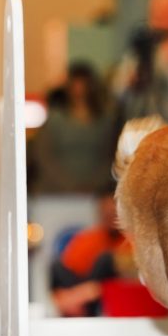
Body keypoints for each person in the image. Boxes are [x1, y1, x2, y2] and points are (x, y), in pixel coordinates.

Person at [30, 61, 115, 194]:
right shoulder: (55, 119)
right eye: (75, 85)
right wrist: (68, 185)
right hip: (56, 192)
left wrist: (93, 185)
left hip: (94, 192)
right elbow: (43, 155)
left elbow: (109, 156)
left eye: (83, 85)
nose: (79, 90)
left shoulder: (105, 120)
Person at [50, 184, 132, 317]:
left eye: (113, 213)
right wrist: (75, 294)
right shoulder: (86, 239)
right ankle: (79, 299)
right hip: (84, 292)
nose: (110, 216)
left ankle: (79, 299)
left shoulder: (131, 241)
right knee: (56, 266)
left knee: (106, 260)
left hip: (109, 294)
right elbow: (67, 271)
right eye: (106, 213)